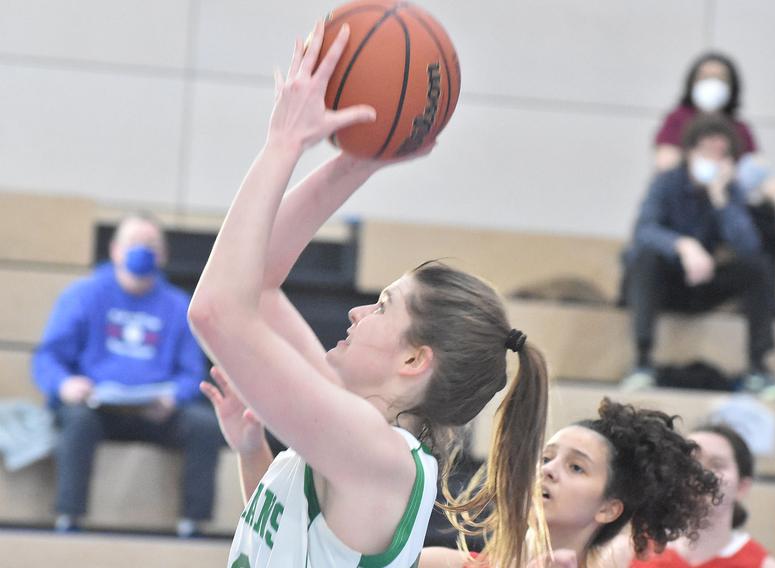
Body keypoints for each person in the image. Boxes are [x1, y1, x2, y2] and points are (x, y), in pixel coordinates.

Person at [189, 23, 550, 567]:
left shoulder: (379, 454)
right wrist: (360, 160)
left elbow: (216, 311)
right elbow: (259, 283)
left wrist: (284, 143)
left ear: (413, 359)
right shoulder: (358, 434)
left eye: (382, 306)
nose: (356, 312)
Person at [31, 212, 222, 537]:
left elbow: (192, 373)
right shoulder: (83, 295)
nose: (142, 251)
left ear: (163, 255)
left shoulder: (179, 307)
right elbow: (48, 357)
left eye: (150, 244)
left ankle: (193, 524)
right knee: (76, 422)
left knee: (204, 425)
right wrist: (65, 385)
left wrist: (173, 396)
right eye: (134, 243)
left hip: (155, 412)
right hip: (96, 407)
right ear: (115, 250)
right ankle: (69, 518)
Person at [419, 398, 720, 567]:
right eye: (546, 457)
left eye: (576, 467)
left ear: (608, 509)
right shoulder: (439, 563)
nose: (548, 470)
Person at [622, 115, 775, 400]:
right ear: (690, 152)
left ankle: (759, 368)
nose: (712, 159)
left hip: (704, 282)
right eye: (706, 151)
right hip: (665, 282)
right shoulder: (666, 182)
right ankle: (641, 361)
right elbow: (644, 229)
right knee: (645, 257)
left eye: (721, 154)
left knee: (757, 267)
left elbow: (748, 245)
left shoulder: (730, 191)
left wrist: (720, 200)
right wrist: (683, 245)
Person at [654, 52, 775, 249]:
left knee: (766, 217)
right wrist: (706, 170)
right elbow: (665, 165)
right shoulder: (678, 120)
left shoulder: (738, 127)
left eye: (719, 78)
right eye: (705, 77)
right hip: (689, 205)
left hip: (730, 203)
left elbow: (760, 170)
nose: (712, 83)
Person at [625, 424, 775, 568]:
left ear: (742, 486)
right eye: (690, 462)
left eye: (717, 464)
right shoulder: (625, 554)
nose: (701, 473)